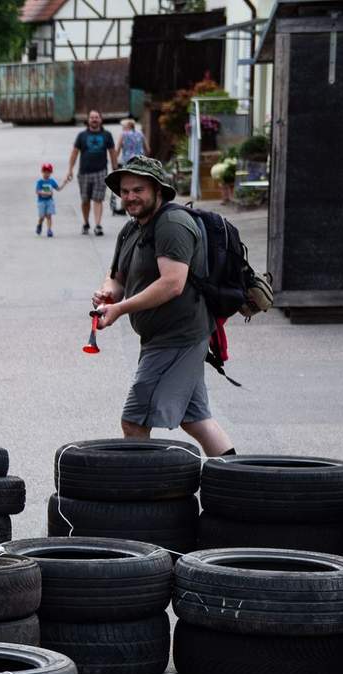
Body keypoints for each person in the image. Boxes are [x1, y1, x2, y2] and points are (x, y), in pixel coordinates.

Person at [90, 155, 235, 457]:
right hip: (162, 338)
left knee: (134, 421)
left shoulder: (172, 224)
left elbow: (172, 283)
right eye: (125, 191)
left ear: (158, 190)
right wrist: (107, 294)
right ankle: (237, 478)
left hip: (177, 337)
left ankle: (143, 487)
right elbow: (117, 277)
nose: (130, 197)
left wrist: (120, 309)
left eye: (138, 190)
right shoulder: (131, 229)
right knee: (196, 420)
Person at [64, 109, 118, 236]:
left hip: (101, 172)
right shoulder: (82, 136)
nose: (94, 119)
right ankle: (86, 223)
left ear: (101, 119)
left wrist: (115, 169)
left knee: (98, 199)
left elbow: (112, 152)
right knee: (85, 200)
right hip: (84, 172)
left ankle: (98, 225)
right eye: (92, 117)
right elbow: (74, 153)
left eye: (96, 117)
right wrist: (70, 170)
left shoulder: (107, 135)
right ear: (88, 120)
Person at [34, 162, 61, 237]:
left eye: (48, 172)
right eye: (45, 172)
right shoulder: (40, 182)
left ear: (51, 172)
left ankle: (49, 230)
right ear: (42, 172)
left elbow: (58, 188)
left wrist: (65, 182)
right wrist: (46, 193)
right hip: (41, 202)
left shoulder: (52, 181)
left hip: (49, 201)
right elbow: (37, 191)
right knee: (42, 217)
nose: (46, 174)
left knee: (49, 215)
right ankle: (39, 225)